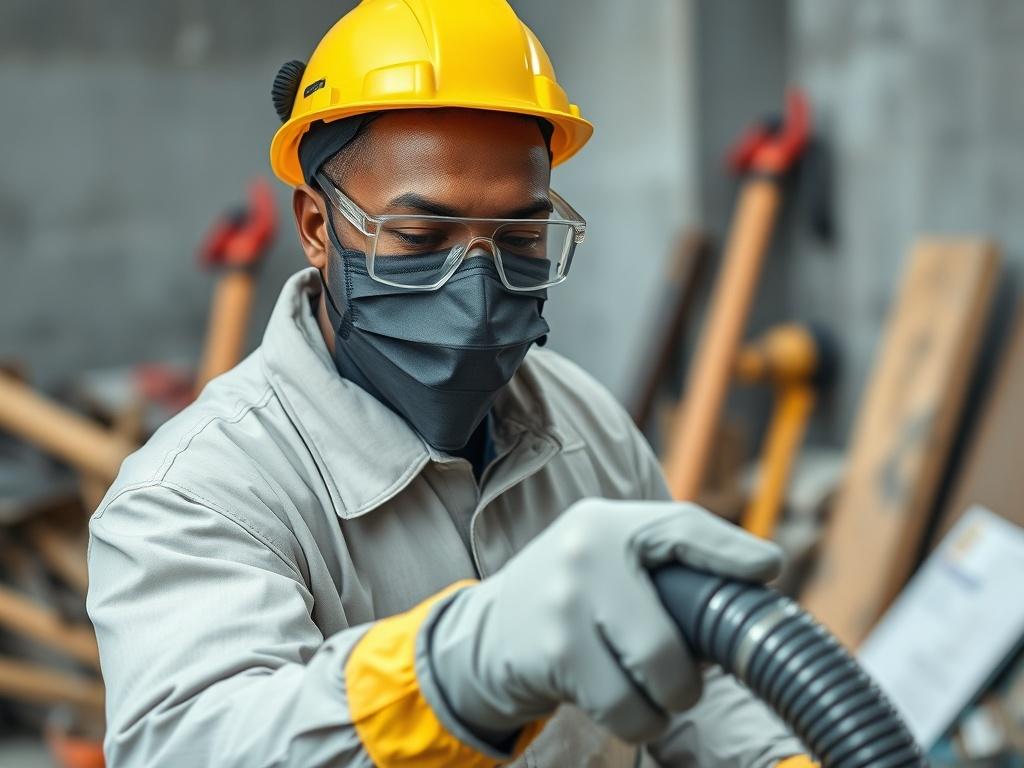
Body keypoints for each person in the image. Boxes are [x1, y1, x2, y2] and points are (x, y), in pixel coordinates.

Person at [87, 1, 815, 766]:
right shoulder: (198, 496)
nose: (476, 287)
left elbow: (694, 684)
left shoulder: (584, 426)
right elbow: (200, 745)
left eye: (521, 236)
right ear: (314, 226)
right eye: (421, 237)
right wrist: (455, 672)